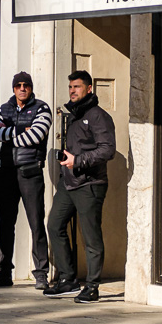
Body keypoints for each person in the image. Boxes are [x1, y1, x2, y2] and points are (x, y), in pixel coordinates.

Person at [44, 70, 116, 304]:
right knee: (54, 225)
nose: (72, 91)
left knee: (90, 236)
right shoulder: (75, 115)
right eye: (70, 87)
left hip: (90, 184)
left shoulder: (98, 116)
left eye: (77, 86)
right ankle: (68, 279)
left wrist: (79, 161)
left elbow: (108, 150)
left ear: (89, 88)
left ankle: (92, 287)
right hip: (69, 183)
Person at [0, 71, 52, 290]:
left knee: (36, 223)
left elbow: (37, 135)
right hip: (6, 172)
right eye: (18, 85)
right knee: (6, 224)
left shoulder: (42, 108)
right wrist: (22, 130)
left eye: (26, 85)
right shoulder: (4, 109)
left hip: (30, 172)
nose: (22, 88)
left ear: (31, 88)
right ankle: (3, 273)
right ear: (13, 88)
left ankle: (41, 274)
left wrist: (8, 134)